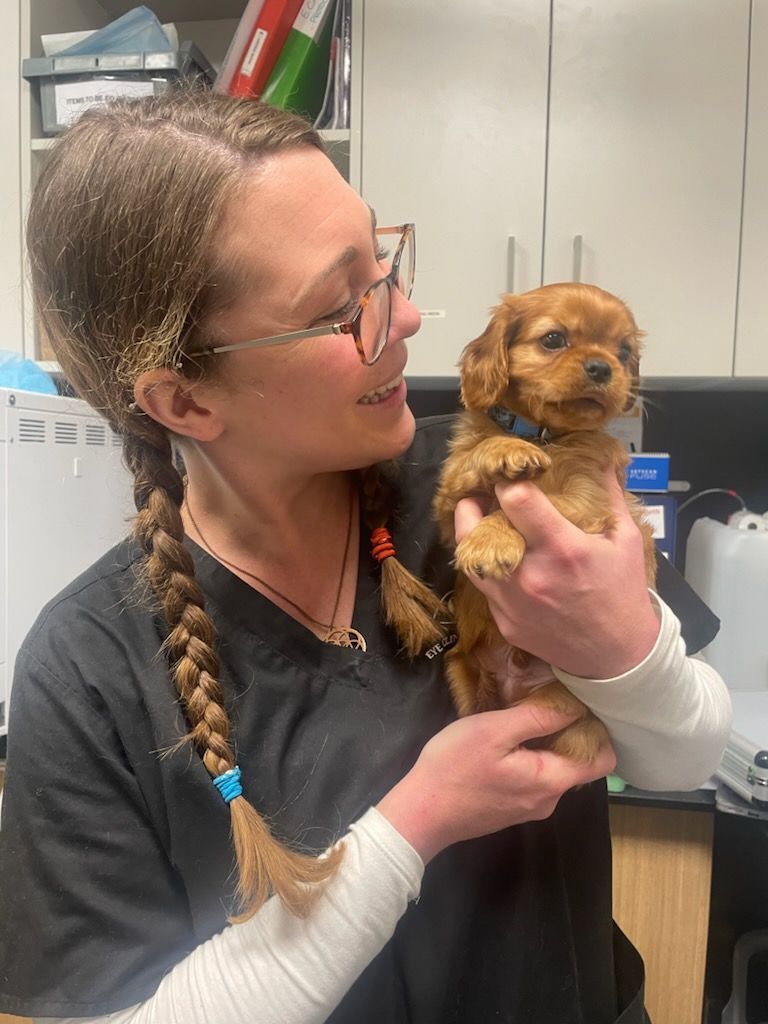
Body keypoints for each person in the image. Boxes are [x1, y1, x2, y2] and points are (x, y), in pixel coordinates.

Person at [0, 88, 730, 1024]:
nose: (412, 317)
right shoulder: (87, 668)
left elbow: (686, 756)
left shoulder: (490, 483)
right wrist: (415, 821)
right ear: (184, 403)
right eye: (345, 307)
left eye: (383, 267)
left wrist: (623, 651)